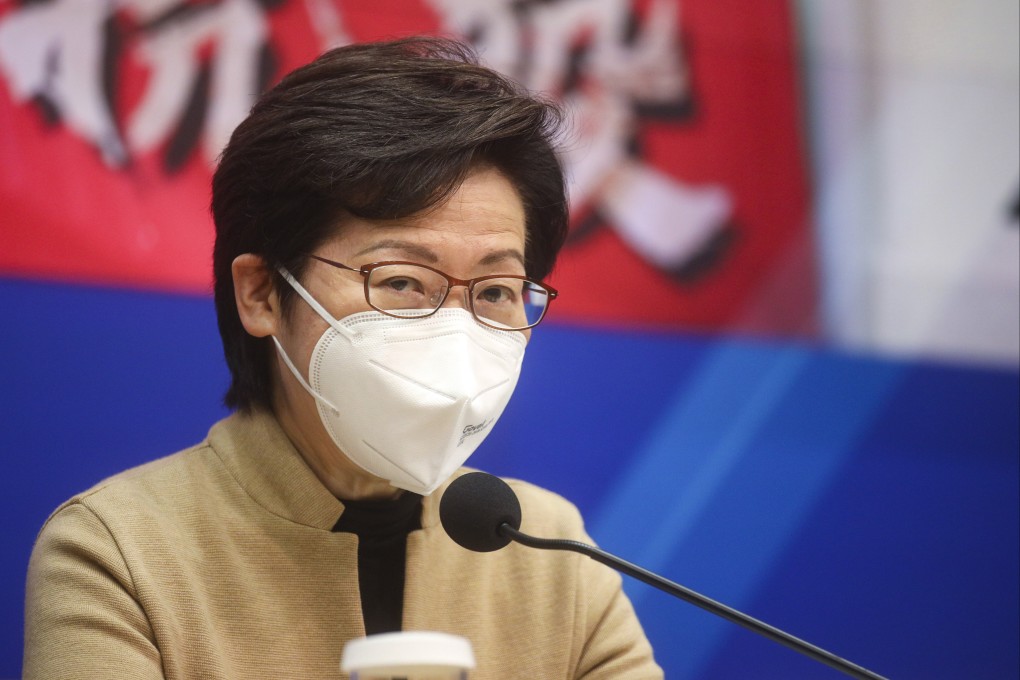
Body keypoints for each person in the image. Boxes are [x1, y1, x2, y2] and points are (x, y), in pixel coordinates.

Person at [23, 37, 662, 679]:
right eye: (402, 281)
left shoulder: (547, 545)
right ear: (262, 293)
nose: (455, 328)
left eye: (495, 291)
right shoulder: (118, 550)